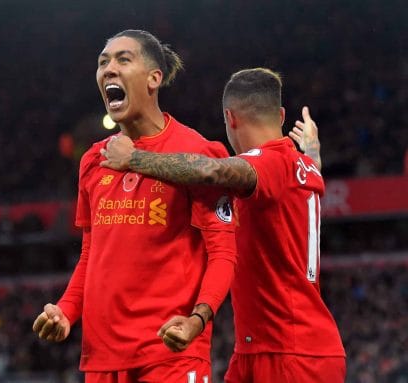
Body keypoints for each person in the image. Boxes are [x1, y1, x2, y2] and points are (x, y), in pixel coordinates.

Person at [101, 68, 346, 383]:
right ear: (282, 115)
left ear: (230, 118)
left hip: (290, 352)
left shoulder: (269, 164)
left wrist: (135, 159)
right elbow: (310, 166)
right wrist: (312, 150)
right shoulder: (305, 167)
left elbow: (212, 172)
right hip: (263, 349)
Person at [32, 29, 237, 382]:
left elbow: (223, 253)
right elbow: (91, 253)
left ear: (154, 78)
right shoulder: (93, 160)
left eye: (122, 60)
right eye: (103, 62)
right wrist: (66, 310)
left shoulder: (198, 154)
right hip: (101, 359)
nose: (109, 69)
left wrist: (198, 319)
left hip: (170, 354)